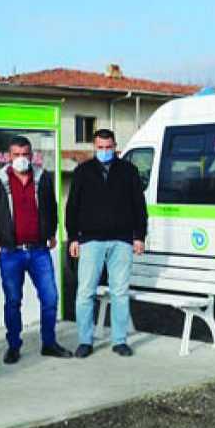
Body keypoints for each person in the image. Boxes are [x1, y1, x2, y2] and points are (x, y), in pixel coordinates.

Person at [0, 136, 72, 364]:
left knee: (50, 298)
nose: (21, 159)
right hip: (10, 252)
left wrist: (51, 232)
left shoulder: (43, 177)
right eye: (16, 155)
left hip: (39, 250)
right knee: (13, 300)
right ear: (8, 156)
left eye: (25, 154)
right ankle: (13, 345)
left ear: (32, 155)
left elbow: (52, 208)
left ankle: (49, 343)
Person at [67, 128, 148, 358]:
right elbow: (72, 206)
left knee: (120, 292)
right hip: (90, 241)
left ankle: (119, 341)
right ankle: (85, 340)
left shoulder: (129, 171)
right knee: (85, 292)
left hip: (122, 241)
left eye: (108, 147)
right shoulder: (83, 171)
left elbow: (139, 206)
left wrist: (139, 236)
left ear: (115, 147)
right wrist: (73, 237)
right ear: (94, 147)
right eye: (100, 147)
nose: (104, 151)